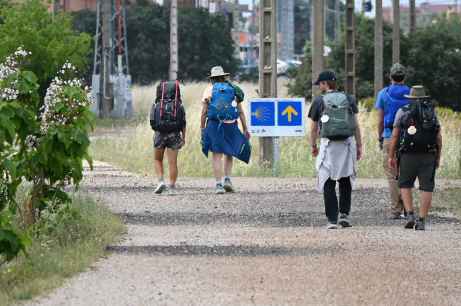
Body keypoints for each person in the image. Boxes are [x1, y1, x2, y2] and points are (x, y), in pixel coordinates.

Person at [309, 70, 363, 229]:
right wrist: (359, 146)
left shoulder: (319, 101)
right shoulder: (349, 99)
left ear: (326, 84)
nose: (319, 86)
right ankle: (344, 215)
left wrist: (313, 146)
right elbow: (355, 125)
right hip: (347, 143)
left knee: (328, 180)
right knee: (345, 178)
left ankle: (332, 219)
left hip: (328, 145)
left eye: (320, 83)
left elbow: (313, 129)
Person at [388, 85, 442, 231]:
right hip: (428, 154)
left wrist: (391, 155)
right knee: (427, 187)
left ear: (410, 97)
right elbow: (438, 136)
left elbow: (394, 135)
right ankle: (422, 220)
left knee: (405, 184)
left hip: (407, 154)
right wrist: (438, 156)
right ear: (424, 97)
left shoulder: (403, 111)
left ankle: (410, 214)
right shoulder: (431, 112)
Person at [200, 66, 251, 194]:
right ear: (224, 77)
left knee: (217, 155)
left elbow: (204, 112)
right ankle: (227, 179)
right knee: (230, 153)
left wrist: (202, 129)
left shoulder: (209, 89)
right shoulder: (232, 90)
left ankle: (218, 185)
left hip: (214, 125)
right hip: (231, 124)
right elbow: (240, 111)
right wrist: (245, 129)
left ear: (212, 79)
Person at [375, 63, 411, 219]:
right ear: (404, 77)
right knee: (406, 172)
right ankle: (406, 208)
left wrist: (380, 136)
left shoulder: (384, 93)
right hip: (408, 137)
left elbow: (380, 119)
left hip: (389, 136)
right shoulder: (411, 93)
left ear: (390, 77)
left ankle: (395, 210)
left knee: (392, 174)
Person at [150, 80, 187, 194]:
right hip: (175, 134)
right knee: (172, 162)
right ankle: (171, 186)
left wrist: (158, 132)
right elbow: (183, 123)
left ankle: (161, 182)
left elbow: (152, 122)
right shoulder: (179, 105)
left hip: (159, 134)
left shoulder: (156, 104)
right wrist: (183, 137)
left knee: (157, 159)